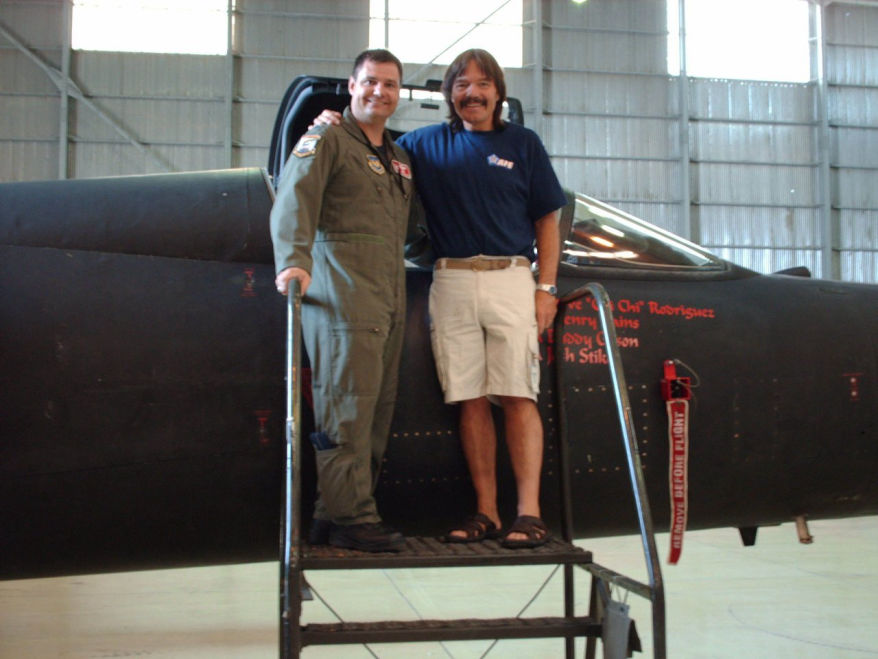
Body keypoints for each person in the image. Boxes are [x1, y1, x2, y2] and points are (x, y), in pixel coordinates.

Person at [313, 48, 567, 549]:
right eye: (460, 85)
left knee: (518, 394)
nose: (472, 93)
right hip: (449, 280)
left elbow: (547, 222)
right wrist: (330, 122)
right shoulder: (423, 145)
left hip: (511, 276)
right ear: (449, 95)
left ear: (498, 91)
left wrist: (546, 287)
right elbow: (370, 146)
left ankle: (529, 513)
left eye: (482, 84)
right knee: (468, 398)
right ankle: (487, 513)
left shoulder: (525, 144)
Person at [270, 49, 414, 552]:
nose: (380, 92)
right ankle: (355, 518)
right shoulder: (327, 136)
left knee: (375, 410)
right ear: (351, 87)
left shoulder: (397, 158)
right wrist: (293, 260)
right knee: (345, 408)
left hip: (387, 296)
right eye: (371, 82)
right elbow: (295, 195)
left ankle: (330, 517)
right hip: (343, 294)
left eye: (391, 85)